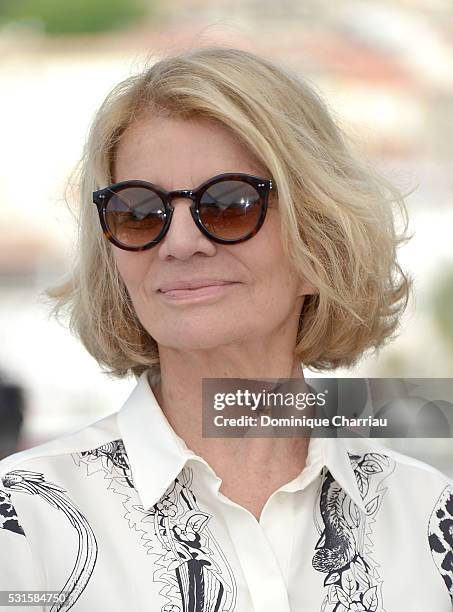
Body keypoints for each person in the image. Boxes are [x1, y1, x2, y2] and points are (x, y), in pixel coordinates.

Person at [0, 46, 452, 612]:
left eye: (230, 204)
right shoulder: (21, 523)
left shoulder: (433, 520)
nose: (181, 243)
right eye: (139, 212)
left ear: (321, 239)